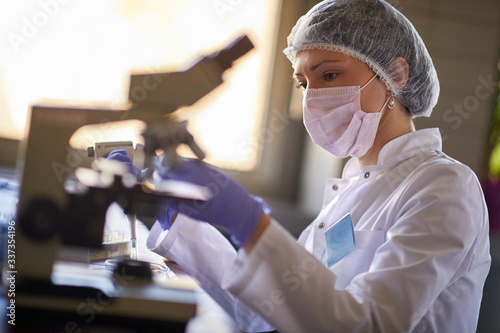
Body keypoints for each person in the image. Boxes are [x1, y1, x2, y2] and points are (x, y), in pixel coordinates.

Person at [112, 0, 491, 331]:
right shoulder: (354, 189)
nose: (315, 97)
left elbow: (372, 324)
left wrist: (251, 221)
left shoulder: (443, 185)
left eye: (329, 75)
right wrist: (177, 220)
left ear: (396, 75)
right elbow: (266, 315)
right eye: (303, 82)